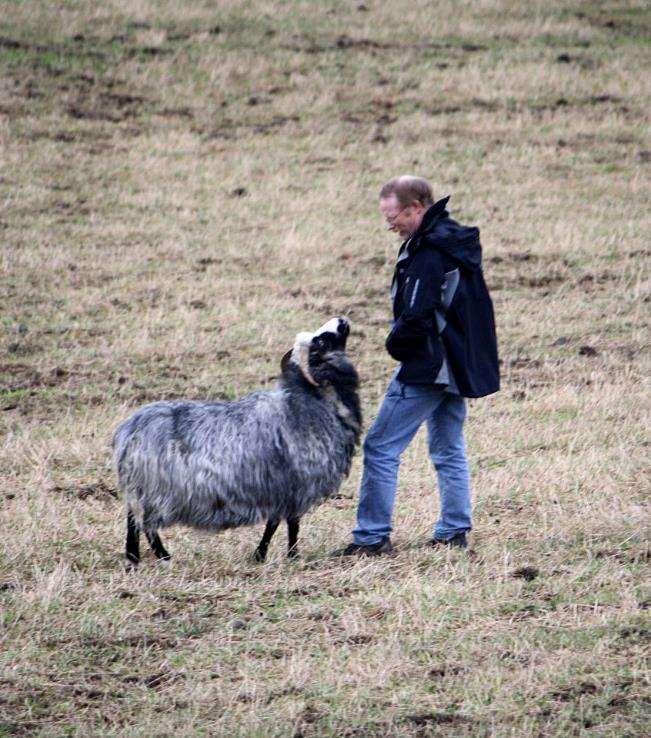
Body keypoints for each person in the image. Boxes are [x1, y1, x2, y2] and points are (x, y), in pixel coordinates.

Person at [340, 175, 499, 555]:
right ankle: (454, 530)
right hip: (458, 365)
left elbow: (416, 316)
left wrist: (395, 344)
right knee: (448, 447)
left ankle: (371, 537)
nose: (389, 224)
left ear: (416, 208)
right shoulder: (454, 242)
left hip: (428, 366)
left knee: (380, 446)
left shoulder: (428, 253)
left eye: (392, 215)